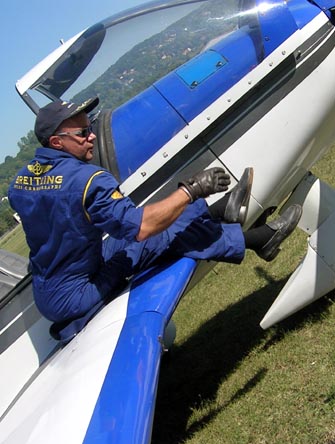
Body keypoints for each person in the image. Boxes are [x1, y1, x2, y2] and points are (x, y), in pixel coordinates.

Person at [8, 97, 302, 342]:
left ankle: (220, 213)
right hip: (77, 292)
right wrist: (192, 190)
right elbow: (142, 227)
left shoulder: (20, 183)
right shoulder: (86, 180)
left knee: (150, 229)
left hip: (59, 280)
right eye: (83, 133)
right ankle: (258, 239)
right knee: (157, 236)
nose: (93, 136)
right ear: (57, 143)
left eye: (90, 127)